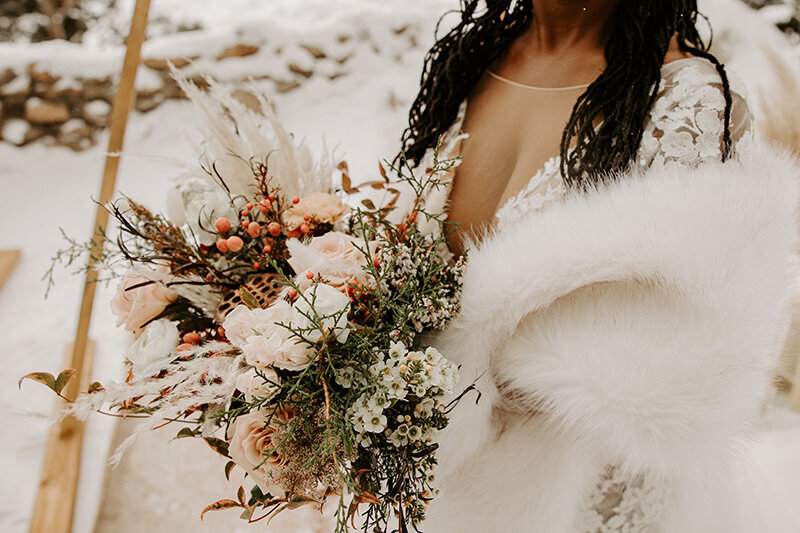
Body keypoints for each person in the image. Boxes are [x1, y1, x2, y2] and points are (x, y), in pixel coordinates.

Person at [396, 1, 800, 531]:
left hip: (579, 500)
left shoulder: (686, 105)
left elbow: (686, 359)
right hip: (433, 490)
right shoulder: (470, 63)